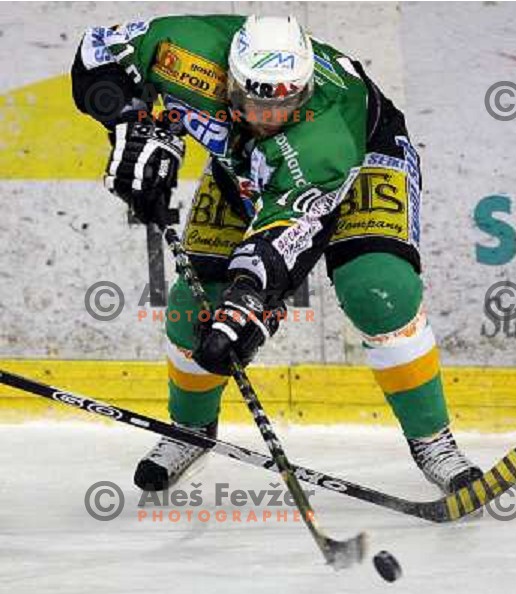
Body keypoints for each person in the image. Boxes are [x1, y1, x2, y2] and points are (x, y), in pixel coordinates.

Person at [71, 14, 482, 494]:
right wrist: (129, 120)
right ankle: (190, 430)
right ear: (231, 77)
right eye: (255, 102)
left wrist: (248, 305)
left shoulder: (324, 133)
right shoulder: (182, 49)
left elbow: (289, 234)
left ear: (304, 89)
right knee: (194, 304)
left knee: (379, 288)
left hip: (362, 157)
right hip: (241, 164)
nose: (269, 117)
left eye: (286, 103)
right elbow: (96, 50)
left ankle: (434, 441)